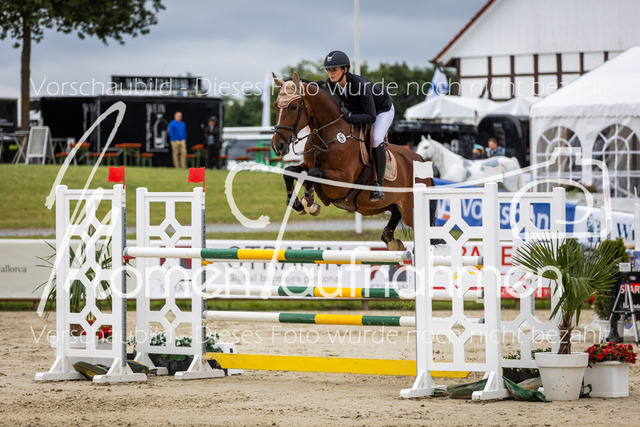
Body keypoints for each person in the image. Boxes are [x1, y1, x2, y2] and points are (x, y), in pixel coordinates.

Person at [323, 50, 394, 202]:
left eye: (334, 69)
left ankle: (378, 184)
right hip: (361, 110)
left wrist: (350, 117)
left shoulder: (360, 85)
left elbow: (371, 117)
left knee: (376, 138)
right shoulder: (331, 84)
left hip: (382, 110)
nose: (330, 73)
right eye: (328, 70)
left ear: (345, 69)